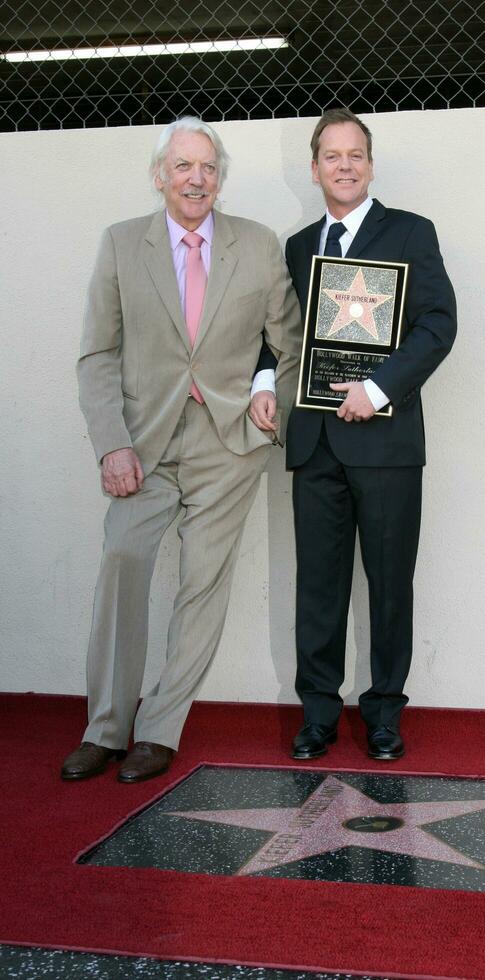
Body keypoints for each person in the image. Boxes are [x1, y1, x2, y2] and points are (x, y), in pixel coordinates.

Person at [61, 117, 301, 783]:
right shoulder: (119, 245)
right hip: (144, 442)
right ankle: (105, 726)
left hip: (228, 442)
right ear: (159, 175)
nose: (197, 178)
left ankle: (159, 729)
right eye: (184, 166)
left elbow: (291, 342)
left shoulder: (257, 246)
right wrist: (111, 444)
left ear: (220, 179)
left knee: (202, 582)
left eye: (208, 168)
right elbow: (97, 355)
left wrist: (269, 394)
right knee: (122, 559)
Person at [283, 107, 457, 761]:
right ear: (315, 167)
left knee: (388, 585)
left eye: (356, 154)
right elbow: (278, 335)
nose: (345, 166)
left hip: (386, 447)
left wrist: (377, 389)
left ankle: (384, 713)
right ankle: (319, 715)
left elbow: (438, 324)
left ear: (371, 164)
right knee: (318, 588)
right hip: (316, 445)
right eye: (333, 156)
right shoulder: (299, 247)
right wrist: (262, 386)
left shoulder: (411, 233)